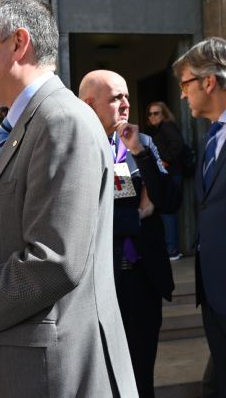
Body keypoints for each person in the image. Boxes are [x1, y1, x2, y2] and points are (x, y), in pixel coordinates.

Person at [0, 0, 137, 397]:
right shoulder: (28, 125)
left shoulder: (61, 121)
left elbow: (53, 262)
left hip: (52, 376)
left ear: (18, 43)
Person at [79, 70, 178, 398]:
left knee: (141, 371)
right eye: (115, 98)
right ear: (89, 103)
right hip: (100, 280)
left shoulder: (143, 142)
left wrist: (139, 154)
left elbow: (168, 199)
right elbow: (83, 215)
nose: (125, 103)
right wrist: (136, 214)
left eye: (126, 96)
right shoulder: (77, 147)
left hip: (143, 278)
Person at [173, 36, 226, 398]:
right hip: (213, 293)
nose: (182, 94)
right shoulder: (211, 137)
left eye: (185, 83)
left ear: (209, 81)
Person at [146, 101, 185, 260]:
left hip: (171, 175)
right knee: (166, 211)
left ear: (164, 114)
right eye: (150, 113)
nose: (153, 116)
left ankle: (172, 250)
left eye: (157, 113)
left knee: (168, 211)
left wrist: (165, 160)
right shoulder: (159, 129)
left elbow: (178, 145)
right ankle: (171, 249)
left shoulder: (167, 126)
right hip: (169, 175)